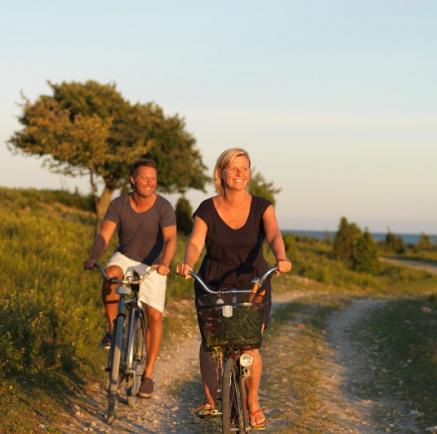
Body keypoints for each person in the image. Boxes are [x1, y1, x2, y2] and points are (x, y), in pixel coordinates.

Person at [176, 147, 292, 429]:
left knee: (249, 345)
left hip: (253, 281)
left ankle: (253, 402)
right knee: (210, 341)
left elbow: (274, 233)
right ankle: (210, 400)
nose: (240, 173)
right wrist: (188, 262)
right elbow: (195, 242)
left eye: (245, 168)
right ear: (221, 174)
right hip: (214, 280)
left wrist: (281, 257)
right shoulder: (206, 208)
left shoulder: (262, 207)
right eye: (234, 168)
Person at [83, 158, 177, 398]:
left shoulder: (164, 207)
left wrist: (164, 263)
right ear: (133, 180)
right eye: (144, 177)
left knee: (154, 315)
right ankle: (114, 329)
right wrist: (94, 258)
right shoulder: (119, 204)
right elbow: (104, 234)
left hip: (152, 264)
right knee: (111, 276)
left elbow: (170, 239)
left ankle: (148, 375)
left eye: (153, 179)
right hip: (125, 257)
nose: (149, 182)